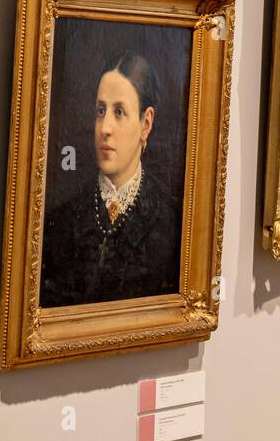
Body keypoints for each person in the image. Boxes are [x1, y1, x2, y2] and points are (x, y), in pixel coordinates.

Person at [40, 53, 180, 307]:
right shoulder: (62, 221)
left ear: (146, 124)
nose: (104, 128)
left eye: (119, 112)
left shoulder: (172, 222)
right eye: (100, 110)